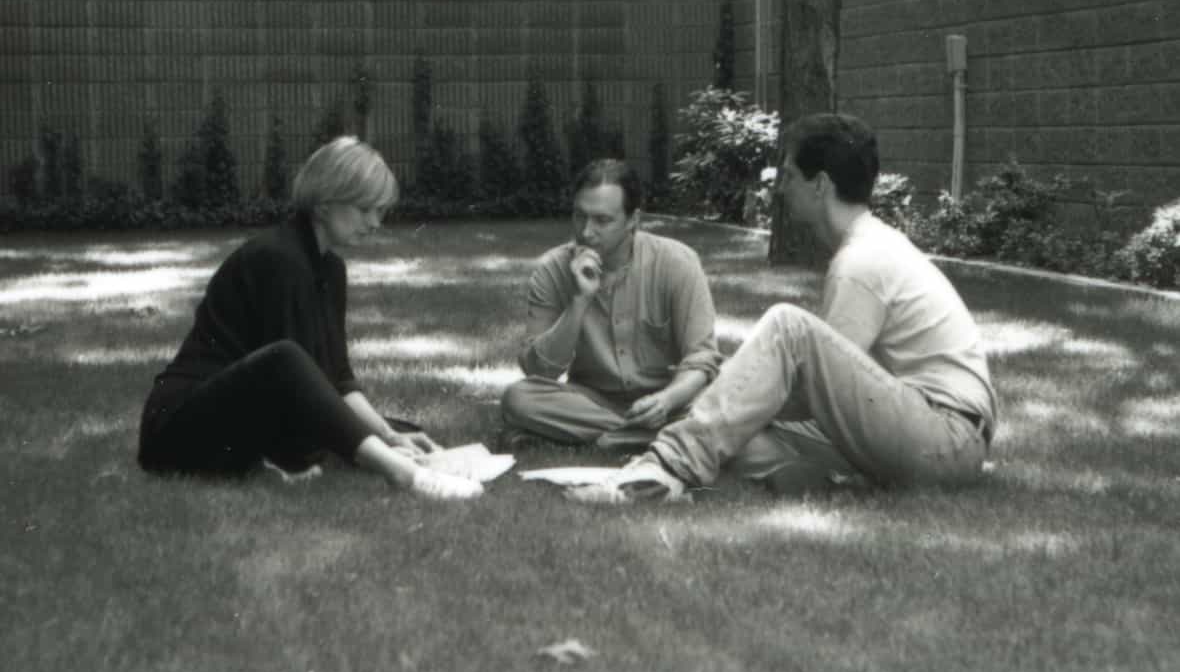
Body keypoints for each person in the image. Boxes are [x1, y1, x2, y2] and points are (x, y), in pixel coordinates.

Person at [569, 113, 998, 503]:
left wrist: (722, 392)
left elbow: (812, 393)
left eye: (789, 174)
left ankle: (664, 467)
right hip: (925, 436)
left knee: (787, 327)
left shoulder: (863, 261)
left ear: (821, 185)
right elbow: (821, 395)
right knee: (739, 434)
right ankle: (821, 485)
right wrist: (728, 399)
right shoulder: (867, 248)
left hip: (945, 439)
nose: (778, 188)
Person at [137, 137, 483, 500]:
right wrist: (375, 446)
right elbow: (297, 383)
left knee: (386, 428)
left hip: (234, 420)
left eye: (380, 211)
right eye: (365, 208)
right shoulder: (278, 260)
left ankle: (380, 453)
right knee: (290, 364)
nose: (375, 222)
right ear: (324, 204)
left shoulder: (331, 269)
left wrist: (388, 434)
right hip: (178, 430)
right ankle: (404, 474)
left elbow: (337, 376)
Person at [499, 159, 723, 451]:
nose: (587, 231)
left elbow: (701, 359)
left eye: (602, 220)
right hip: (591, 400)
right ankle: (660, 439)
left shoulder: (677, 263)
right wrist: (579, 301)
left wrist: (667, 400)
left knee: (730, 394)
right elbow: (540, 372)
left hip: (670, 399)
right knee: (518, 398)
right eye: (580, 216)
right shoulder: (553, 269)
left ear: (633, 220)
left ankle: (606, 438)